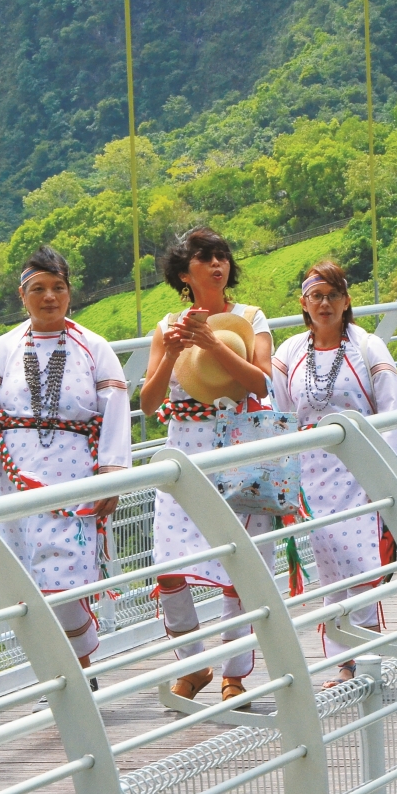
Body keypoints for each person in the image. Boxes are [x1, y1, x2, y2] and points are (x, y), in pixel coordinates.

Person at [0, 245, 131, 687]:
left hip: (74, 483)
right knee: (29, 586)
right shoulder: (1, 349)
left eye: (57, 288)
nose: (49, 297)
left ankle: (77, 672)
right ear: (22, 295)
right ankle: (63, 676)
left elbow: (116, 410)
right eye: (38, 289)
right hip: (16, 483)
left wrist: (112, 476)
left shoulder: (94, 347)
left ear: (69, 292)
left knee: (66, 582)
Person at [138, 227, 275, 705]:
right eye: (205, 257)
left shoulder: (250, 319)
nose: (217, 264)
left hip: (239, 450)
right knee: (170, 566)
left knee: (240, 566)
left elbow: (260, 383)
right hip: (184, 459)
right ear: (184, 273)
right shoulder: (166, 324)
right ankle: (193, 663)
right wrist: (175, 349)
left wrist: (213, 345)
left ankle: (235, 673)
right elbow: (149, 404)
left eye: (222, 255)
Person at [273, 261, 397, 688]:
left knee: (362, 565)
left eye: (333, 295)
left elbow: (392, 407)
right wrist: (282, 474)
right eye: (316, 296)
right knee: (331, 571)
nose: (325, 303)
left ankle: (364, 661)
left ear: (347, 301)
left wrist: (388, 473)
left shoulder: (367, 347)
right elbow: (279, 413)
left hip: (360, 467)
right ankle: (343, 663)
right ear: (304, 303)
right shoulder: (289, 353)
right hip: (312, 475)